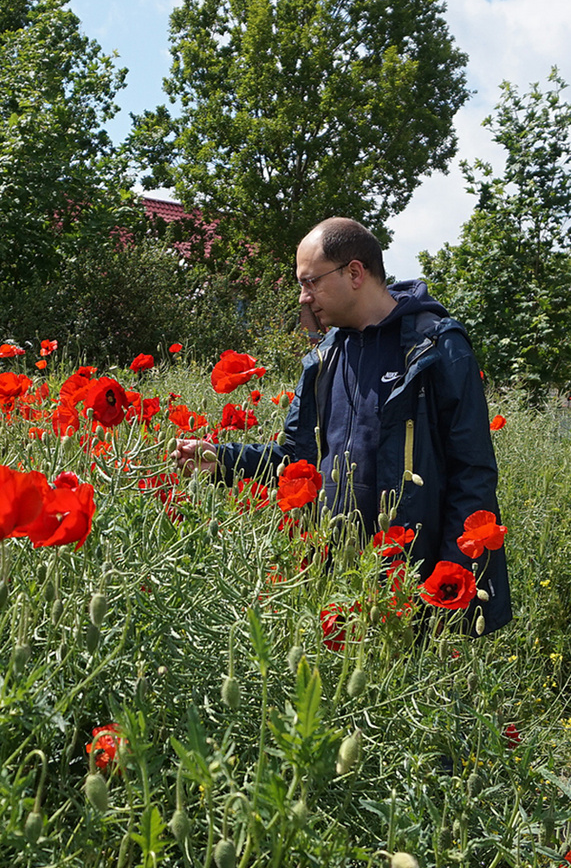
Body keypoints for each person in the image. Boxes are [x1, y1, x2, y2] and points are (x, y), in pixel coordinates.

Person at [173, 217, 511, 634]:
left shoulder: (436, 348)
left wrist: (445, 585)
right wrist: (222, 459)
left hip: (411, 580)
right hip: (335, 580)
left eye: (311, 282)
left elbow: (472, 474)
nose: (304, 298)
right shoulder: (324, 359)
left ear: (354, 272)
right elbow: (294, 457)